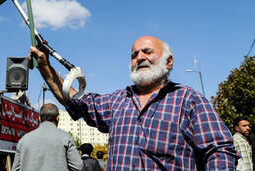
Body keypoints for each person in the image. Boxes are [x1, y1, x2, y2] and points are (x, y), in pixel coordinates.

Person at [30, 35, 239, 170]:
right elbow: (75, 101)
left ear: (169, 61)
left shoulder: (189, 99)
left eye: (147, 52)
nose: (139, 57)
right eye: (134, 54)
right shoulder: (118, 101)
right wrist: (45, 67)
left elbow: (219, 152)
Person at [12, 103, 83, 171]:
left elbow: (15, 169)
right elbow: (78, 166)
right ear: (57, 118)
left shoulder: (23, 140)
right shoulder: (66, 138)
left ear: (39, 119)